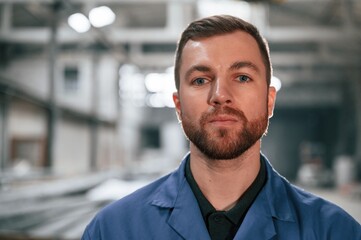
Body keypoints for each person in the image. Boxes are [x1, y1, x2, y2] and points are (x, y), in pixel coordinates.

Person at [82, 15, 361, 240]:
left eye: (241, 77)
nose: (220, 95)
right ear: (178, 105)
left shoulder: (335, 232)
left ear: (269, 101)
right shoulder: (113, 230)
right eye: (201, 80)